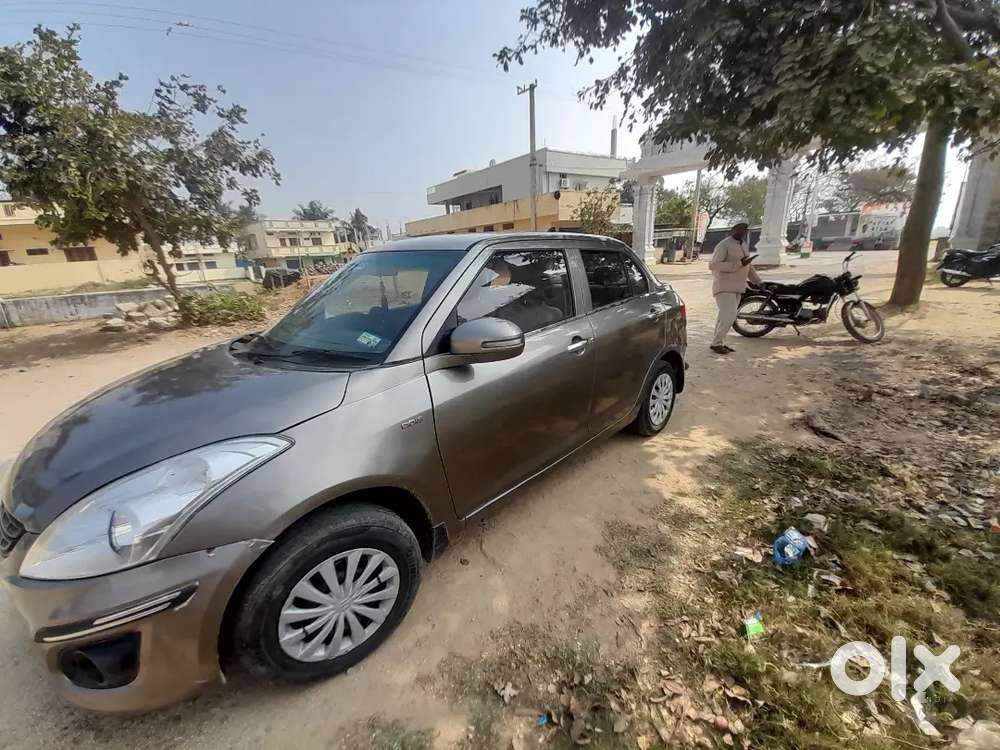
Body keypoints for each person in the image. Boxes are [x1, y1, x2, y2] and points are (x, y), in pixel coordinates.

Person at [708, 221, 761, 354]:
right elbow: (714, 265)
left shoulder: (743, 245)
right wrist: (737, 264)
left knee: (724, 317)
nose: (742, 232)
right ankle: (716, 343)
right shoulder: (724, 245)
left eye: (744, 229)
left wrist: (757, 281)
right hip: (724, 286)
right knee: (729, 316)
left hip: (738, 287)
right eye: (739, 229)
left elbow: (747, 265)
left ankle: (718, 342)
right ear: (732, 230)